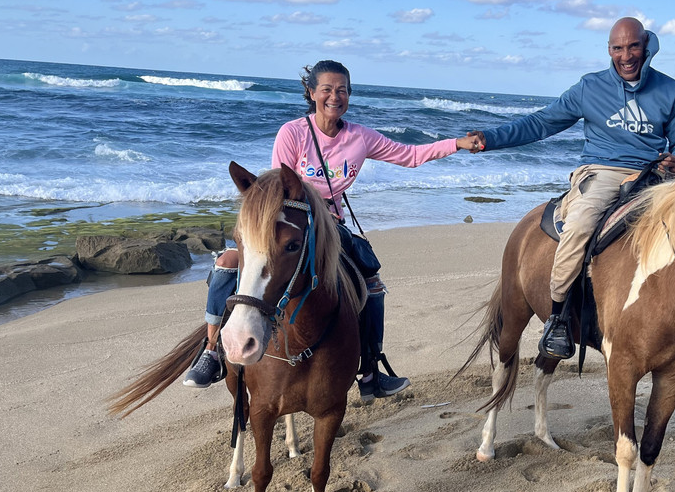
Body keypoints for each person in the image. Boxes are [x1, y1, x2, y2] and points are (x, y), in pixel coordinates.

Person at [183, 59, 482, 402]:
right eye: (326, 89)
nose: (334, 96)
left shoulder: (360, 137)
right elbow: (276, 188)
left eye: (342, 90)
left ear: (349, 95)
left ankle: (371, 369)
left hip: (331, 227)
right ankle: (212, 352)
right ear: (311, 93)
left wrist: (456, 143)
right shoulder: (292, 132)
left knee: (371, 282)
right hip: (289, 224)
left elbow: (410, 155)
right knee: (228, 262)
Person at [467, 17, 675, 361]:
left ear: (646, 46)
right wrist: (491, 138)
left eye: (633, 46)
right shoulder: (590, 87)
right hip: (603, 172)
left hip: (654, 176)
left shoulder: (670, 90)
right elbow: (541, 123)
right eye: (618, 48)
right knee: (580, 224)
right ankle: (558, 318)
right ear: (609, 50)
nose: (626, 55)